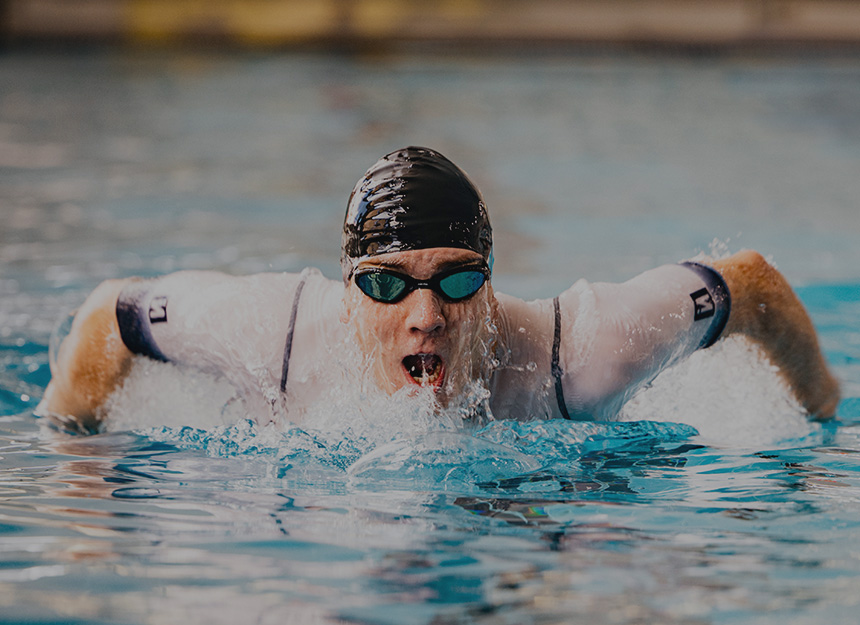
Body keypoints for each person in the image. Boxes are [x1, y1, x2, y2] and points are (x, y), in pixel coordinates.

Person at [40, 146, 840, 433]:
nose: (426, 317)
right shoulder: (275, 334)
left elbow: (753, 284)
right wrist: (75, 476)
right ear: (350, 290)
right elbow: (112, 316)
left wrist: (825, 418)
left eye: (458, 280)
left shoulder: (577, 354)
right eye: (387, 285)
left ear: (492, 284)